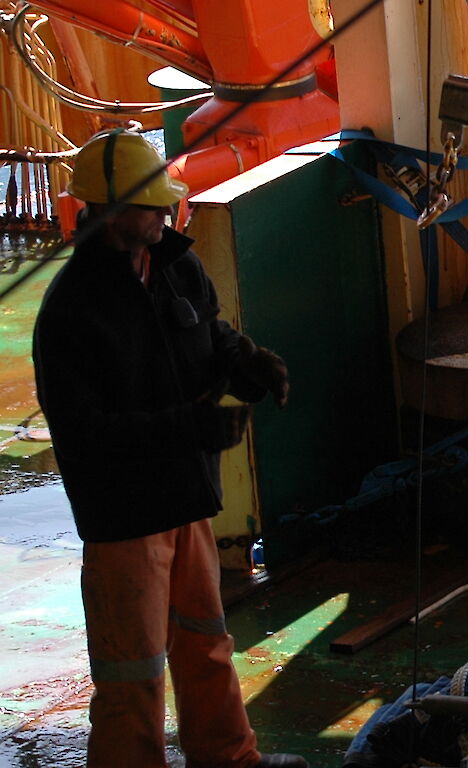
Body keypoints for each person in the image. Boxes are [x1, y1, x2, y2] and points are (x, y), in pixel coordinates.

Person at [32, 129, 299, 768]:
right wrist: (191, 430)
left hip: (186, 502)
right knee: (133, 676)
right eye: (151, 204)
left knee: (207, 644)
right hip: (125, 522)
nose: (165, 212)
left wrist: (249, 364)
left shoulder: (176, 263)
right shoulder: (70, 311)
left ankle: (230, 758)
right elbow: (85, 437)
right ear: (107, 211)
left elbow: (209, 333)